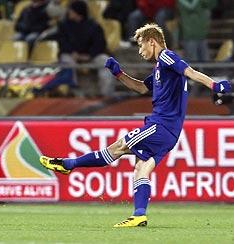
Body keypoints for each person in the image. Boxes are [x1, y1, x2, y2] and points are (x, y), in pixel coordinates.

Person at [39, 23, 231, 227]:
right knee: (141, 168)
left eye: (141, 46)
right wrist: (118, 74)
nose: (140, 51)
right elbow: (140, 88)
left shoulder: (166, 57)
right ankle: (139, 214)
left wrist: (214, 84)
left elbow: (190, 72)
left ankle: (69, 164)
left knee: (117, 148)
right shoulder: (161, 68)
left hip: (160, 125)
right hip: (170, 132)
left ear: (152, 41)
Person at [56, 0, 115, 97]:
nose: (69, 12)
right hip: (72, 55)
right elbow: (62, 43)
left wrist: (89, 56)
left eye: (71, 10)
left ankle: (106, 95)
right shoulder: (63, 25)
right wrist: (72, 53)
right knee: (65, 59)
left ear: (78, 12)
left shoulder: (94, 26)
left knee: (105, 60)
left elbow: (100, 44)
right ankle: (73, 92)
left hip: (90, 55)